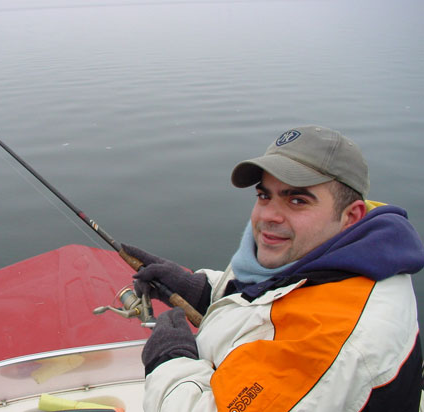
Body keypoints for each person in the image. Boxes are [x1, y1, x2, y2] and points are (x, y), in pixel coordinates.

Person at [123, 125, 424, 412]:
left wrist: (168, 361)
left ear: (351, 216)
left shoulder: (333, 342)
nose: (269, 216)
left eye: (297, 200)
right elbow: (268, 303)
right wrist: (200, 290)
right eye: (265, 195)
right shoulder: (329, 257)